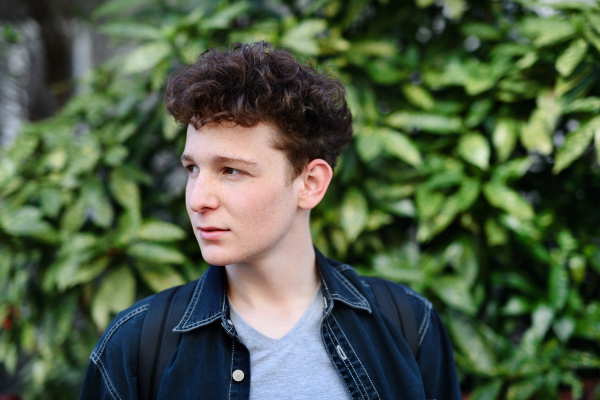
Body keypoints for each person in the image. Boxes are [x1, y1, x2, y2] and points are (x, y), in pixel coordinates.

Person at [80, 41, 461, 400]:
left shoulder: (409, 324)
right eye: (192, 168)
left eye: (230, 170)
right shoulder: (134, 346)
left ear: (310, 184)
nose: (197, 199)